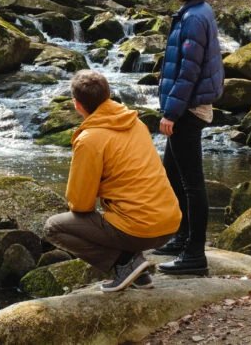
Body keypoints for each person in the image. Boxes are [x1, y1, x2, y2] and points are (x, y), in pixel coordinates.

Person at [44, 69, 182, 292]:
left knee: (54, 227)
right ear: (108, 96)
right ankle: (139, 273)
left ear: (77, 105)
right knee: (119, 214)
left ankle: (125, 264)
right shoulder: (136, 123)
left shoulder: (90, 139)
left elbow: (80, 203)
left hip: (139, 229)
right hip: (169, 223)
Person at [153, 0, 225, 276]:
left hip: (187, 110)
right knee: (172, 174)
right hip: (186, 107)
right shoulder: (193, 12)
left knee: (192, 182)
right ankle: (182, 237)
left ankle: (195, 254)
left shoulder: (195, 17)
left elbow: (188, 71)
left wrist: (171, 112)